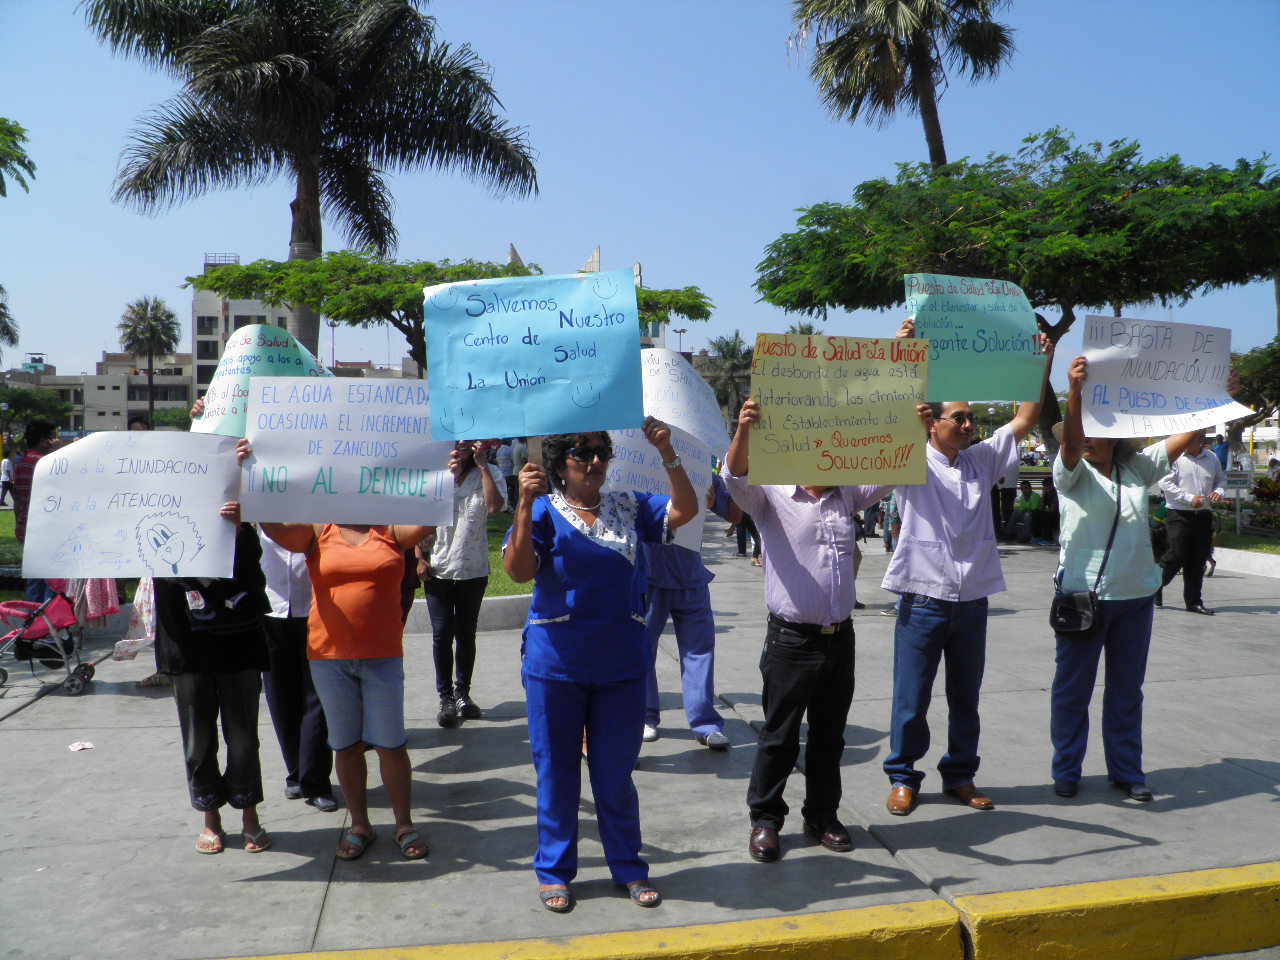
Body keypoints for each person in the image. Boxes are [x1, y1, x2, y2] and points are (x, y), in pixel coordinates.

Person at [724, 395, 933, 863]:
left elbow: (895, 466)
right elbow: (733, 478)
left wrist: (915, 426)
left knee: (829, 735)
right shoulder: (771, 496)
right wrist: (744, 429)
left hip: (840, 639)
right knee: (779, 736)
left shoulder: (848, 494)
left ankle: (822, 814)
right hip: (791, 641)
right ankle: (765, 820)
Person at [504, 418, 696, 913]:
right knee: (557, 773)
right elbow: (520, 570)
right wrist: (524, 505)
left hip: (621, 665)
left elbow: (686, 510)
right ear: (559, 464)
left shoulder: (631, 505)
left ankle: (628, 867)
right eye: (580, 453)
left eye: (599, 453)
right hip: (556, 667)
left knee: (615, 775)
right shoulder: (544, 511)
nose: (592, 462)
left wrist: (667, 454)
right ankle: (554, 870)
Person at [882, 321, 1052, 817]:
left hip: (972, 600)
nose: (967, 425)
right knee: (910, 697)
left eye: (971, 418)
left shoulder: (982, 460)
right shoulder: (907, 458)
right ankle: (902, 777)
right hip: (921, 597)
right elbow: (885, 415)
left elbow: (1025, 417)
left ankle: (960, 774)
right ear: (931, 424)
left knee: (966, 697)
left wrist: (1038, 361)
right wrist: (902, 350)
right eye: (957, 418)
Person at [247, 440, 433, 862]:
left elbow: (431, 512)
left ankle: (404, 824)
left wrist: (446, 469)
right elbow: (274, 526)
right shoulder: (318, 529)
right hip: (328, 658)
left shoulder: (390, 527)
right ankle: (361, 825)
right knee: (345, 745)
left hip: (383, 657)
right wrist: (250, 477)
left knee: (390, 745)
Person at [1050, 356, 1209, 801]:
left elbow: (1188, 435)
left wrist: (1220, 394)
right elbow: (1068, 446)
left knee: (1126, 692)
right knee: (1071, 692)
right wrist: (1076, 392)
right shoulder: (1071, 474)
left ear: (1115, 438)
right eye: (1082, 432)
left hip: (1136, 595)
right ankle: (1066, 770)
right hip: (1084, 598)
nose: (1086, 440)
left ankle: (1126, 770)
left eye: (1097, 431)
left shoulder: (1136, 469)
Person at [153, 506, 273, 854]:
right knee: (198, 738)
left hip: (238, 644)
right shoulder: (156, 518)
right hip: (187, 645)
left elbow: (253, 575)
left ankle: (249, 814)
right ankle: (210, 818)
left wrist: (239, 530)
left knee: (243, 736)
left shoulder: (237, 524)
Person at [642, 472, 741, 747]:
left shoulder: (699, 471)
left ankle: (705, 723)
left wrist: (716, 499)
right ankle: (645, 716)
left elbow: (735, 515)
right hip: (649, 576)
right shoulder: (637, 467)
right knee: (641, 648)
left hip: (690, 577)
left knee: (699, 650)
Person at [419, 439, 506, 728]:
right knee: (442, 634)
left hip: (473, 567)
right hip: (439, 567)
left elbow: (495, 507)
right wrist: (419, 556)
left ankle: (462, 695)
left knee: (466, 634)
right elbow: (419, 515)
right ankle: (445, 699)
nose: (463, 445)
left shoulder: (490, 471)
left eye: (470, 441)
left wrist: (482, 466)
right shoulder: (435, 472)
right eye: (458, 441)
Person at [1157, 430, 1226, 615]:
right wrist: (1189, 498)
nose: (1184, 442)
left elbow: (1221, 479)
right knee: (1176, 554)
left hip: (1203, 515)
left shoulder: (1211, 457)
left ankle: (1194, 602)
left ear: (1201, 439)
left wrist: (1218, 491)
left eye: (1190, 438)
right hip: (1179, 514)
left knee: (1198, 559)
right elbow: (1165, 483)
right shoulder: (1176, 457)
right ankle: (1155, 586)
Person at [14, 420, 61, 603]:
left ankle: (32, 621)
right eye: (51, 438)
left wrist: (19, 524)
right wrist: (59, 452)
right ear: (43, 440)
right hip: (46, 528)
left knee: (35, 580)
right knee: (52, 580)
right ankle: (48, 622)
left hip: (26, 526)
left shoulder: (22, 462)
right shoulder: (45, 462)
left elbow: (18, 499)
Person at [1034, 478, 1060, 546]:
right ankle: (1037, 536)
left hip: (1057, 516)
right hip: (1050, 514)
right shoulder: (1046, 495)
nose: (1045, 487)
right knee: (1036, 513)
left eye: (1046, 485)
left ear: (1051, 486)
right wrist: (1043, 495)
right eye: (1044, 486)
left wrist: (1044, 511)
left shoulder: (1055, 494)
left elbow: (1052, 509)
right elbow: (1040, 508)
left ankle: (1048, 539)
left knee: (1046, 516)